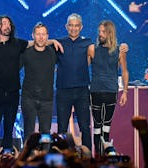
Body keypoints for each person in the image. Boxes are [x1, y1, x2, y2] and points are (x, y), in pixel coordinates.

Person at [0, 15, 62, 164]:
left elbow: (38, 42)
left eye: (9, 23)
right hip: (4, 94)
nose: (7, 26)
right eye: (3, 23)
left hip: (25, 96)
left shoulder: (20, 45)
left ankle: (40, 160)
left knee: (38, 131)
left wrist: (53, 41)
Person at [89, 20, 129, 155]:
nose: (100, 34)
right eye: (99, 31)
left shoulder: (120, 51)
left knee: (106, 128)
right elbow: (82, 67)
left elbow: (124, 71)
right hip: (95, 91)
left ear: (110, 33)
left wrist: (125, 92)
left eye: (103, 32)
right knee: (96, 128)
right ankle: (98, 158)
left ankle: (104, 159)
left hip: (111, 91)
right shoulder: (92, 49)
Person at [55, 13, 94, 150]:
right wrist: (51, 42)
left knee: (85, 126)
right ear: (66, 27)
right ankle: (60, 157)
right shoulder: (58, 43)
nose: (73, 28)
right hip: (63, 90)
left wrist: (122, 49)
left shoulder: (88, 42)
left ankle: (88, 157)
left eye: (76, 25)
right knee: (62, 127)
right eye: (71, 25)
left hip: (82, 90)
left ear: (81, 27)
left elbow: (100, 56)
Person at [20, 22, 57, 141]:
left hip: (47, 99)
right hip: (28, 98)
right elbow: (12, 69)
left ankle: (44, 159)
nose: (41, 37)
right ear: (33, 36)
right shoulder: (26, 53)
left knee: (46, 134)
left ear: (47, 36)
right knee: (29, 134)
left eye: (43, 34)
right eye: (38, 34)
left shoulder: (53, 52)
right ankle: (27, 159)